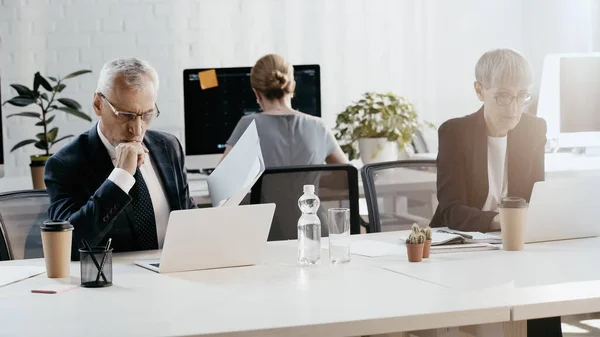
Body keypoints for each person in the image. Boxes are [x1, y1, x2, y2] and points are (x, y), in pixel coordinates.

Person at [430, 48, 561, 336]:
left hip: (512, 248)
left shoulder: (533, 129)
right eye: (503, 95)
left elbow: (534, 198)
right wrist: (501, 221)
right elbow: (451, 210)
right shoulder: (455, 132)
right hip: (462, 249)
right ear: (480, 90)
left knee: (543, 294)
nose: (514, 107)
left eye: (522, 95)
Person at [45, 58, 196, 260]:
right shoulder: (65, 165)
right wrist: (121, 177)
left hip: (173, 274)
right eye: (125, 115)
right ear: (98, 104)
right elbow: (69, 245)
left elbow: (188, 217)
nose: (137, 129)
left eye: (147, 115)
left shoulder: (168, 147)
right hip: (114, 283)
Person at [222, 54, 348, 167]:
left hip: (267, 194)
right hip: (308, 194)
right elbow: (348, 176)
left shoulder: (248, 125)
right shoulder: (319, 126)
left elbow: (219, 187)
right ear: (292, 86)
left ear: (257, 93)